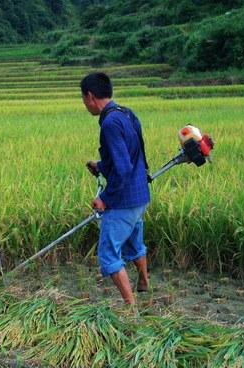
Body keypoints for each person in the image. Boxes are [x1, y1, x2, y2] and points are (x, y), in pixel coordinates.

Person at [81, 72, 150, 305]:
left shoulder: (109, 123)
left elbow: (122, 168)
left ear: (90, 96)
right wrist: (100, 166)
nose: (84, 104)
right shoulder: (127, 113)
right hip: (140, 195)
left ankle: (131, 308)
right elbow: (135, 153)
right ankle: (144, 282)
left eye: (83, 99)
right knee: (134, 243)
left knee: (109, 255)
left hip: (123, 200)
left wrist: (105, 198)